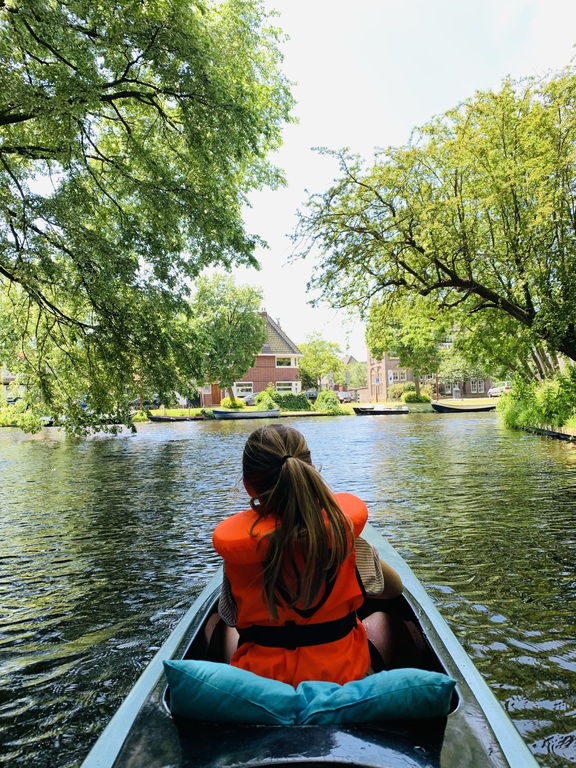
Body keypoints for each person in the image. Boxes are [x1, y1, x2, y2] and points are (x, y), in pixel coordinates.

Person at [210, 424, 403, 687]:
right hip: (343, 683)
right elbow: (394, 590)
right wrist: (354, 543)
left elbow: (231, 618)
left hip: (265, 689)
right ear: (310, 472)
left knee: (219, 625)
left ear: (248, 487)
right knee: (382, 619)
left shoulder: (238, 557)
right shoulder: (348, 542)